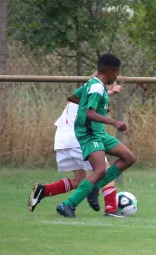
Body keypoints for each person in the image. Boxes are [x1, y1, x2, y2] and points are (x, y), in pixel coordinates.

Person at [56, 53, 136, 218]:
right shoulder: (96, 87)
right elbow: (89, 113)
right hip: (89, 133)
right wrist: (114, 122)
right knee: (99, 170)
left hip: (98, 131)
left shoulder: (92, 84)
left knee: (128, 158)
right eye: (116, 73)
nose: (116, 77)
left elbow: (72, 97)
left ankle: (95, 187)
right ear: (109, 72)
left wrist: (94, 106)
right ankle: (67, 205)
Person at [27, 83, 123, 213]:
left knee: (80, 181)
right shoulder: (94, 91)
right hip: (78, 138)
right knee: (103, 171)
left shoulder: (86, 93)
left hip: (63, 139)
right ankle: (111, 209)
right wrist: (111, 92)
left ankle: (43, 190)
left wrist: (111, 93)